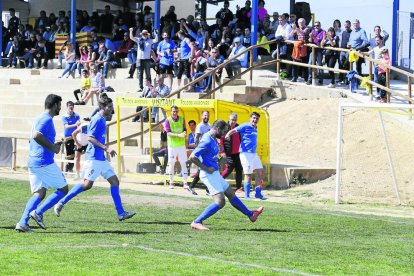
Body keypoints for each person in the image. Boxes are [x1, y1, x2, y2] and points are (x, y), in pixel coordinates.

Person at [53, 96, 136, 221]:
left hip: (101, 159)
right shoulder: (97, 119)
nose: (111, 109)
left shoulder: (101, 119)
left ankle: (121, 213)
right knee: (86, 185)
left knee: (115, 182)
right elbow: (90, 138)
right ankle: (60, 203)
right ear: (102, 107)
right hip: (94, 159)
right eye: (109, 107)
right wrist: (106, 148)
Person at [189, 120, 264, 230]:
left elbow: (209, 156)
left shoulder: (214, 139)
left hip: (214, 173)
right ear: (218, 129)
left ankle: (251, 215)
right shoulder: (206, 140)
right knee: (220, 201)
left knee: (230, 193)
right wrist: (205, 168)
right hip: (208, 174)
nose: (224, 134)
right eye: (223, 131)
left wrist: (219, 161)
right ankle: (197, 222)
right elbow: (192, 157)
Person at [15, 94, 69, 232]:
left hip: (34, 161)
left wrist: (53, 145)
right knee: (63, 189)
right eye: (60, 105)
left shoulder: (39, 118)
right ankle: (38, 213)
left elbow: (32, 139)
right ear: (55, 105)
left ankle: (22, 223)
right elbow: (36, 136)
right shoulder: (46, 119)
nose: (60, 108)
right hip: (43, 162)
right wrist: (52, 148)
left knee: (40, 193)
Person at [225, 112, 266, 200]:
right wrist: (228, 134)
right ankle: (247, 196)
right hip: (245, 153)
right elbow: (234, 130)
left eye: (257, 119)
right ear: (250, 118)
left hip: (253, 153)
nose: (255, 120)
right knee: (248, 174)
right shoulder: (245, 125)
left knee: (261, 172)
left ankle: (258, 193)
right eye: (253, 118)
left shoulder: (255, 127)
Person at [187, 111, 212, 195]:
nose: (206, 117)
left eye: (207, 116)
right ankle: (208, 190)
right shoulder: (200, 126)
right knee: (205, 168)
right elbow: (196, 138)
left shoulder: (209, 126)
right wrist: (198, 150)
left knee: (203, 169)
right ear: (202, 116)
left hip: (207, 152)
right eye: (205, 115)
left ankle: (192, 186)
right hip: (201, 151)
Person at [164, 105, 188, 189]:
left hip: (181, 145)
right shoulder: (168, 120)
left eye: (176, 111)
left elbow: (185, 129)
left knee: (183, 163)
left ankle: (185, 182)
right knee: (171, 163)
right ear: (171, 112)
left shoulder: (182, 119)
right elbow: (168, 133)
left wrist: (184, 133)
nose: (175, 113)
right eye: (173, 111)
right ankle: (171, 182)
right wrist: (179, 135)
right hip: (172, 145)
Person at [219, 113, 243, 193]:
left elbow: (241, 138)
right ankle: (216, 184)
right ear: (229, 119)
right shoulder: (225, 128)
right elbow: (221, 141)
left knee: (239, 170)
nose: (233, 122)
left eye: (235, 120)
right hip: (229, 153)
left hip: (238, 153)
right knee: (228, 170)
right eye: (232, 120)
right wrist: (222, 151)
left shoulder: (238, 127)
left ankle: (239, 188)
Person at [62, 101, 81, 173]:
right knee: (69, 154)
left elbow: (79, 123)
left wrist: (77, 124)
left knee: (75, 153)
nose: (71, 107)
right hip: (68, 138)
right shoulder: (64, 117)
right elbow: (67, 126)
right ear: (67, 107)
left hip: (76, 137)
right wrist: (75, 124)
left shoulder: (77, 115)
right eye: (69, 105)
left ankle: (70, 169)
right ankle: (68, 169)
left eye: (72, 105)